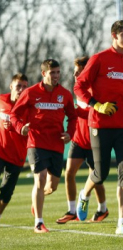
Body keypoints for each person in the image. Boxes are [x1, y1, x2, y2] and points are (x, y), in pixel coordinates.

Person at [73, 20, 123, 234]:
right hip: (100, 125)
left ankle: (122, 222)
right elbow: (79, 85)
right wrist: (97, 105)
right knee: (100, 173)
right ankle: (84, 194)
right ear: (114, 35)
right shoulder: (99, 59)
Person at [10, 59, 77, 233]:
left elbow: (73, 116)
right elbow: (14, 114)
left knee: (52, 186)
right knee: (39, 179)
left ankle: (36, 202)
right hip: (36, 142)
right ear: (43, 74)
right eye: (52, 72)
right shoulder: (31, 92)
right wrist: (20, 128)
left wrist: (70, 133)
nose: (55, 76)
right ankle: (38, 222)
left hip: (56, 144)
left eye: (58, 72)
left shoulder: (65, 94)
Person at [56, 56, 108, 224]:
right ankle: (72, 210)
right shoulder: (77, 89)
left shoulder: (96, 90)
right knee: (69, 173)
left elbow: (92, 113)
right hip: (78, 140)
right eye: (74, 72)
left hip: (94, 141)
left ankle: (102, 208)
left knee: (96, 177)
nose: (75, 75)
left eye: (79, 72)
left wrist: (72, 111)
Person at [0, 74, 28, 221]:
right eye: (18, 86)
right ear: (11, 86)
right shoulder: (1, 101)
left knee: (7, 192)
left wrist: (17, 127)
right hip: (1, 150)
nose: (21, 90)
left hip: (17, 154)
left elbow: (33, 130)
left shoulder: (29, 109)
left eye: (24, 87)